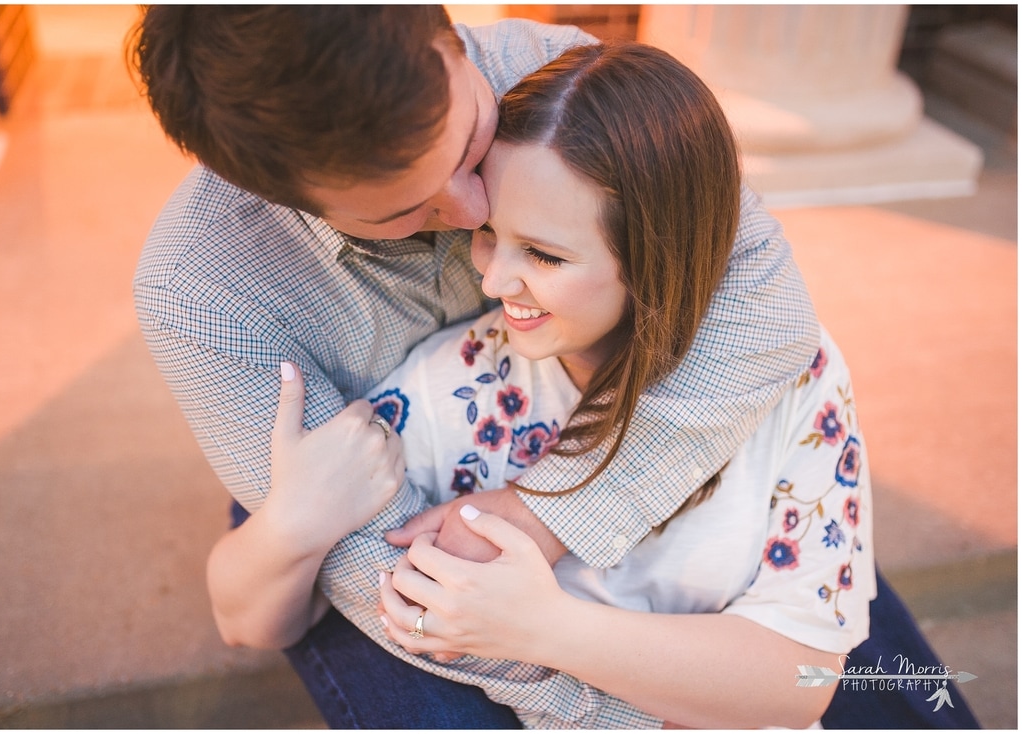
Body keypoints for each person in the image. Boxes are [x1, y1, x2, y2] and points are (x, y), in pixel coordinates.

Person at [129, 6, 975, 729]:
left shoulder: (555, 78)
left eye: (469, 145)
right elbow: (402, 578)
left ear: (451, 41)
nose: (471, 221)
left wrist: (551, 513)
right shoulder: (202, 292)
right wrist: (609, 697)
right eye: (404, 209)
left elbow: (757, 300)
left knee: (891, 690)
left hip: (621, 408)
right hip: (352, 475)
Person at [330, 39, 865, 728]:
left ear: (655, 258)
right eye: (490, 233)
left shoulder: (796, 378)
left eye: (546, 254)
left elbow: (802, 680)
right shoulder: (447, 389)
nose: (491, 281)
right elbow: (320, 593)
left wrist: (546, 629)